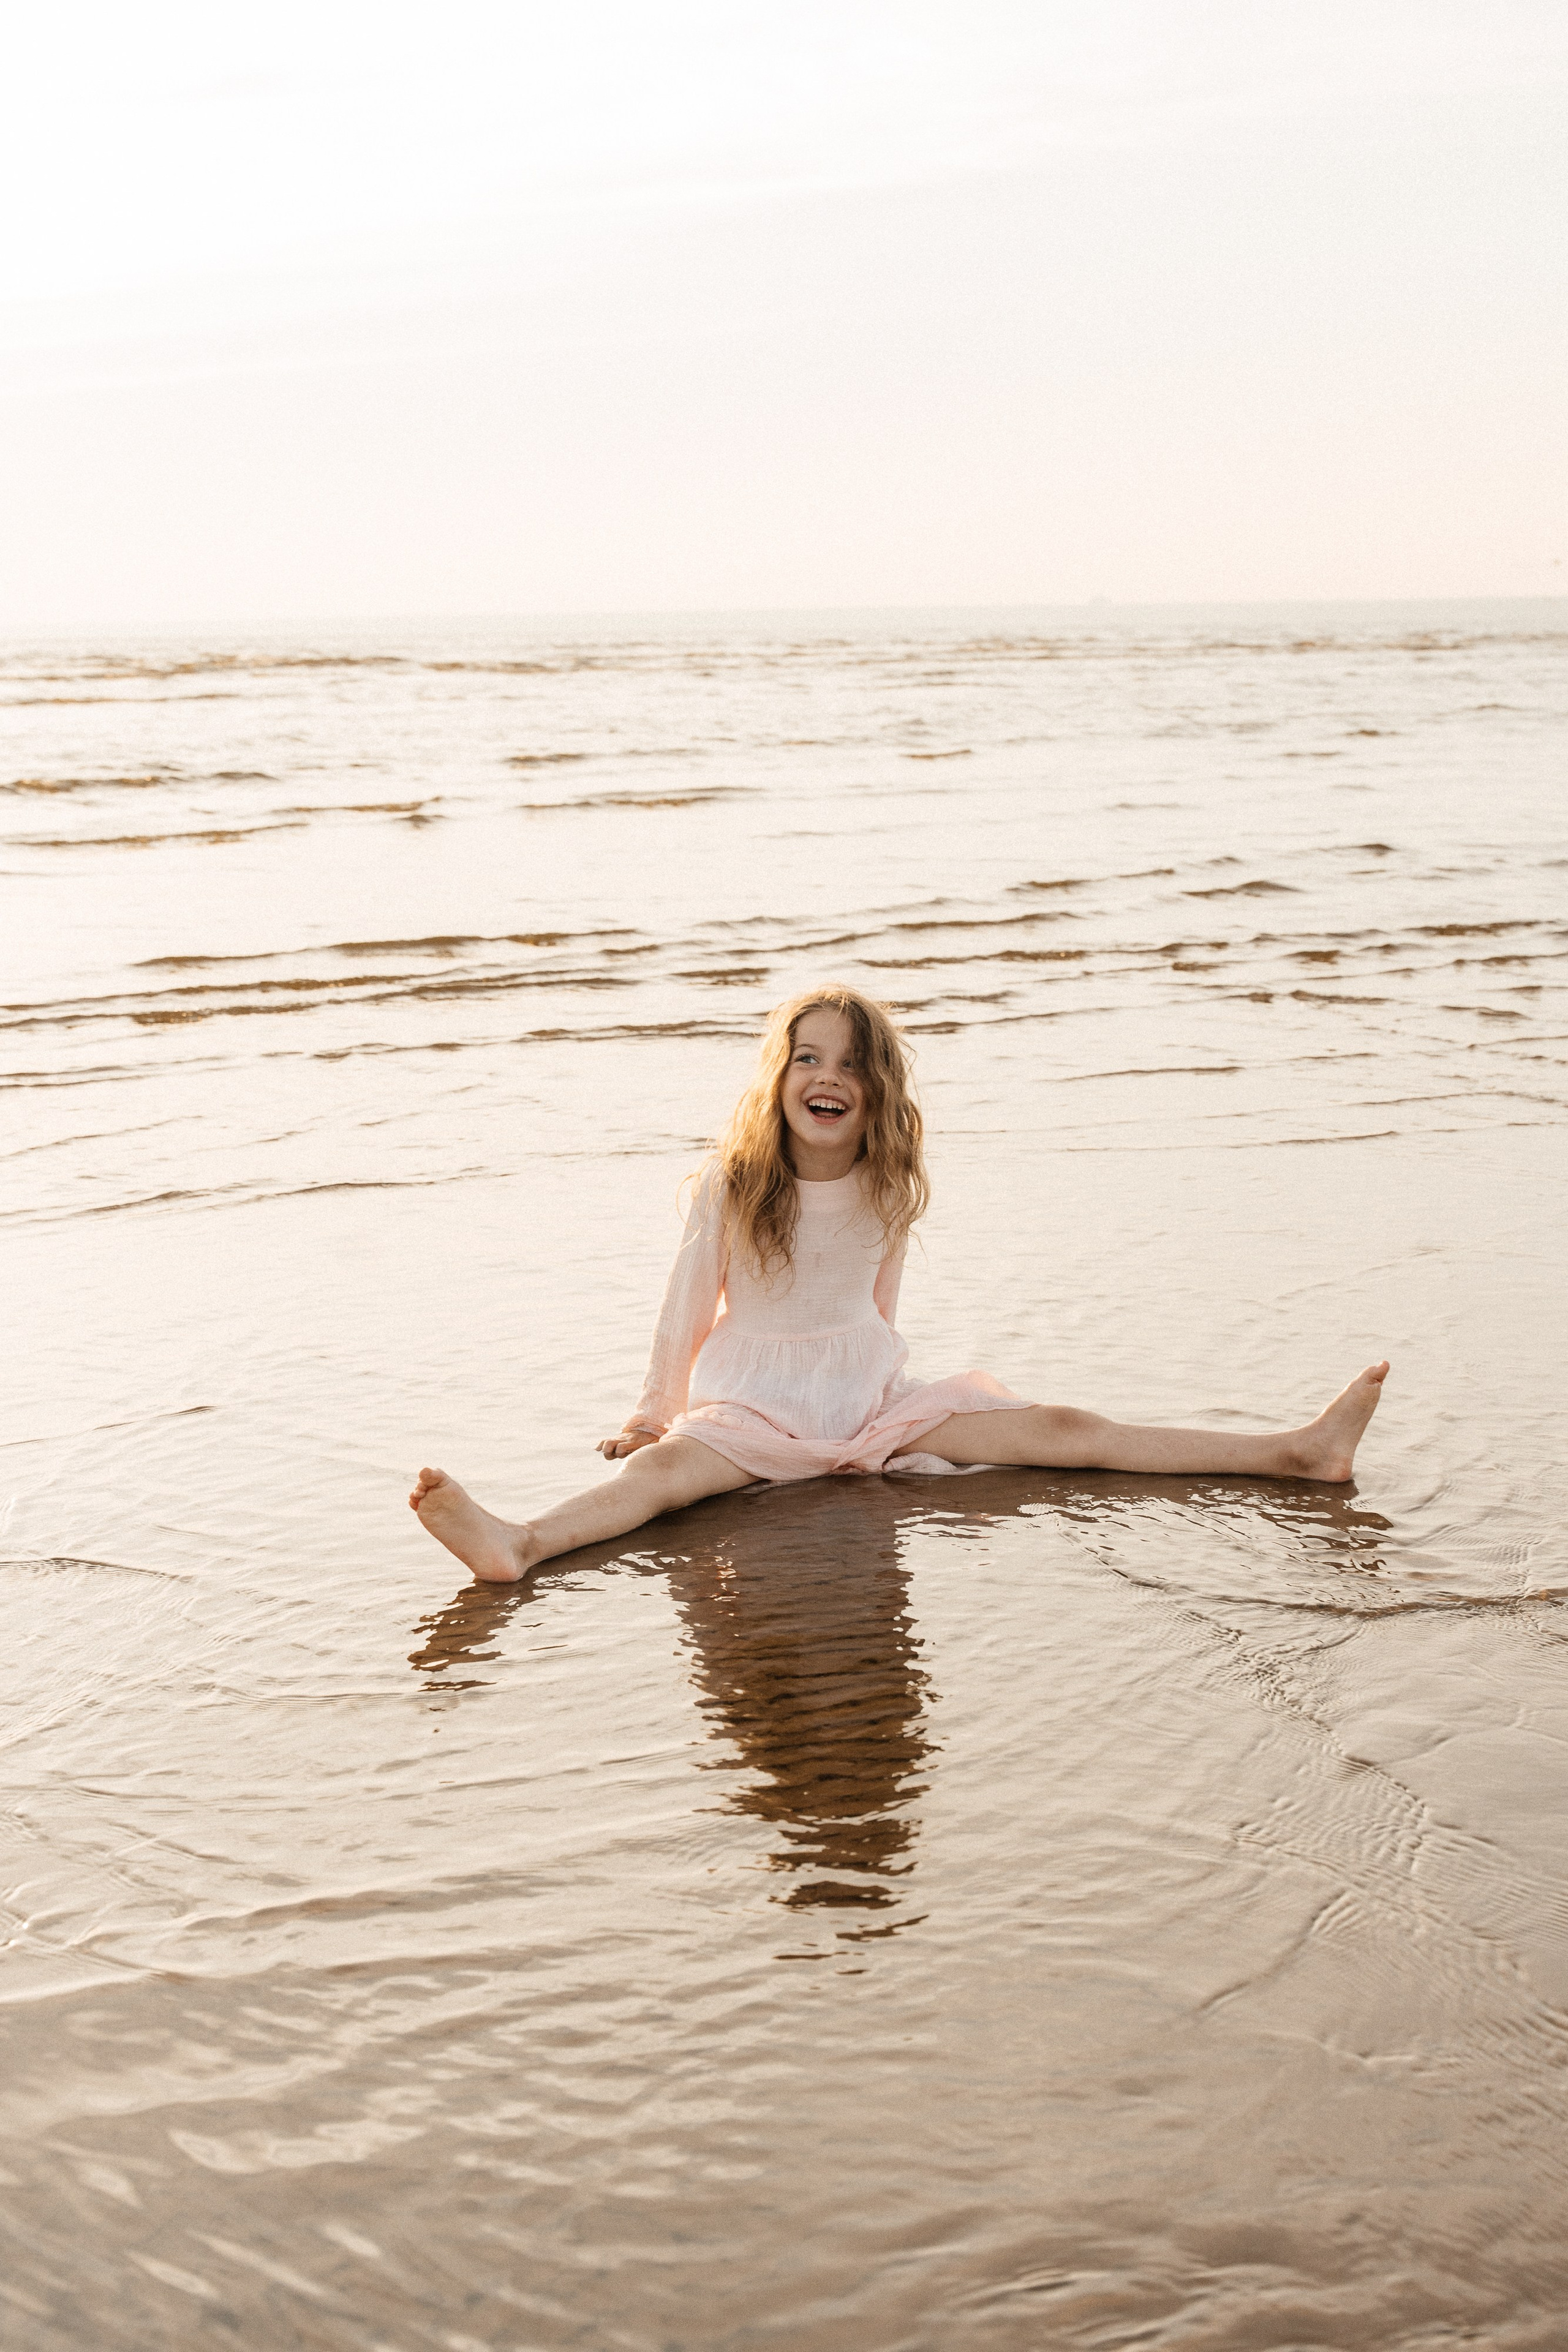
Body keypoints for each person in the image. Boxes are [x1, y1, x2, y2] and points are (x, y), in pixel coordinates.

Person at [410, 984, 1389, 1584]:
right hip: (751, 1408)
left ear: (877, 1090)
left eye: (850, 1064)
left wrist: (891, 1406)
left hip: (871, 1402)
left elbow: (879, 1312)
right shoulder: (733, 1184)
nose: (826, 1076)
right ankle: (519, 1543)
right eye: (806, 1058)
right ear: (778, 1079)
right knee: (658, 1481)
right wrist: (653, 1415)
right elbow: (686, 1309)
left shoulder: (888, 1184)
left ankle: (1295, 1452)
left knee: (1065, 1429)